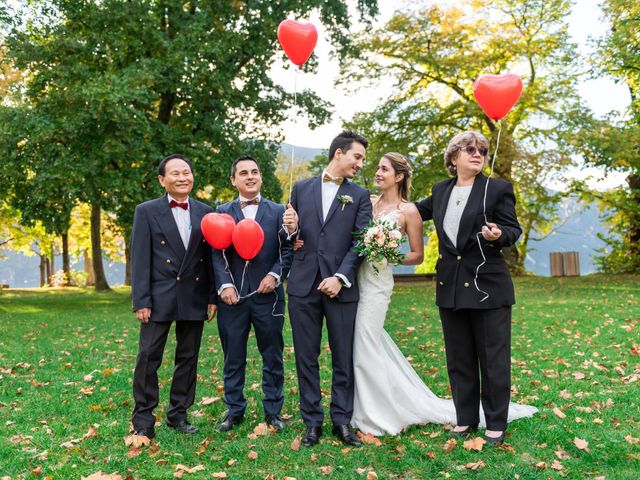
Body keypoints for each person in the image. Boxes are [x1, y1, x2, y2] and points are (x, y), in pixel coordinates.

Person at [415, 131, 536, 445]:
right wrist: (383, 202)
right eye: (470, 149)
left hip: (488, 285)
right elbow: (415, 211)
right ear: (454, 157)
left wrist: (498, 234)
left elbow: (513, 228)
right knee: (459, 358)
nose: (478, 154)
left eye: (482, 150)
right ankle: (465, 419)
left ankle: (495, 422)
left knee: (492, 357)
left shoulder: (496, 189)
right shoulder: (441, 190)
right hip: (450, 287)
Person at [282, 131, 372, 447]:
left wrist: (340, 277)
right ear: (338, 153)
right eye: (357, 157)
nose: (360, 164)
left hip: (341, 288)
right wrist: (290, 230)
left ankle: (342, 421)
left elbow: (362, 241)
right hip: (303, 286)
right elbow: (289, 237)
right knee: (306, 357)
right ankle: (312, 423)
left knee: (343, 357)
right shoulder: (301, 187)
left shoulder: (360, 195)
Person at [130, 154, 217, 439]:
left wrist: (212, 296)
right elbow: (140, 258)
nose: (182, 178)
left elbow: (211, 257)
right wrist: (141, 300)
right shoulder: (146, 210)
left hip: (194, 294)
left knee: (188, 358)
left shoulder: (206, 211)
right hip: (158, 297)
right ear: (162, 179)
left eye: (187, 172)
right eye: (175, 173)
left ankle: (178, 414)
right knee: (148, 357)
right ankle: (143, 419)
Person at [212, 155, 293, 433]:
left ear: (260, 177)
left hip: (268, 297)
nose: (250, 176)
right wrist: (225, 285)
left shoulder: (279, 211)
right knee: (233, 356)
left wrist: (274, 275)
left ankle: (273, 410)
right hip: (232, 299)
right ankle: (234, 410)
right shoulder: (221, 212)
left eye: (255, 172)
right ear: (233, 180)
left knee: (272, 355)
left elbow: (288, 249)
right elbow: (216, 252)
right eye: (243, 173)